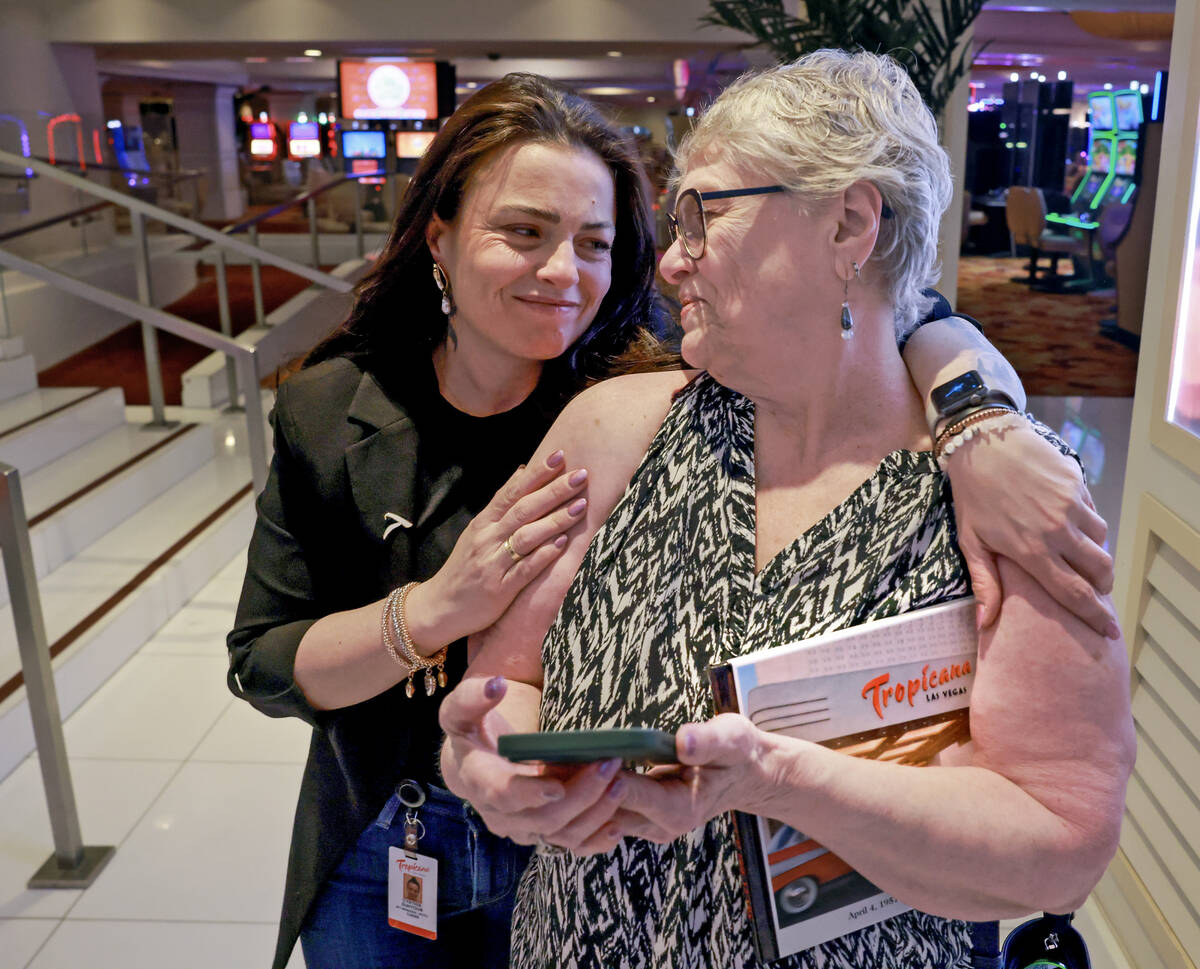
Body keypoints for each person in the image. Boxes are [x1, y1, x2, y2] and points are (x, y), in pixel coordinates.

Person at [439, 52, 1136, 969]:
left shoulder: (1000, 494)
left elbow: (1059, 840)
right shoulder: (615, 427)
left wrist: (776, 779)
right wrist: (489, 764)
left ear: (848, 222)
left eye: (703, 213)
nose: (673, 256)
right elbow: (501, 688)